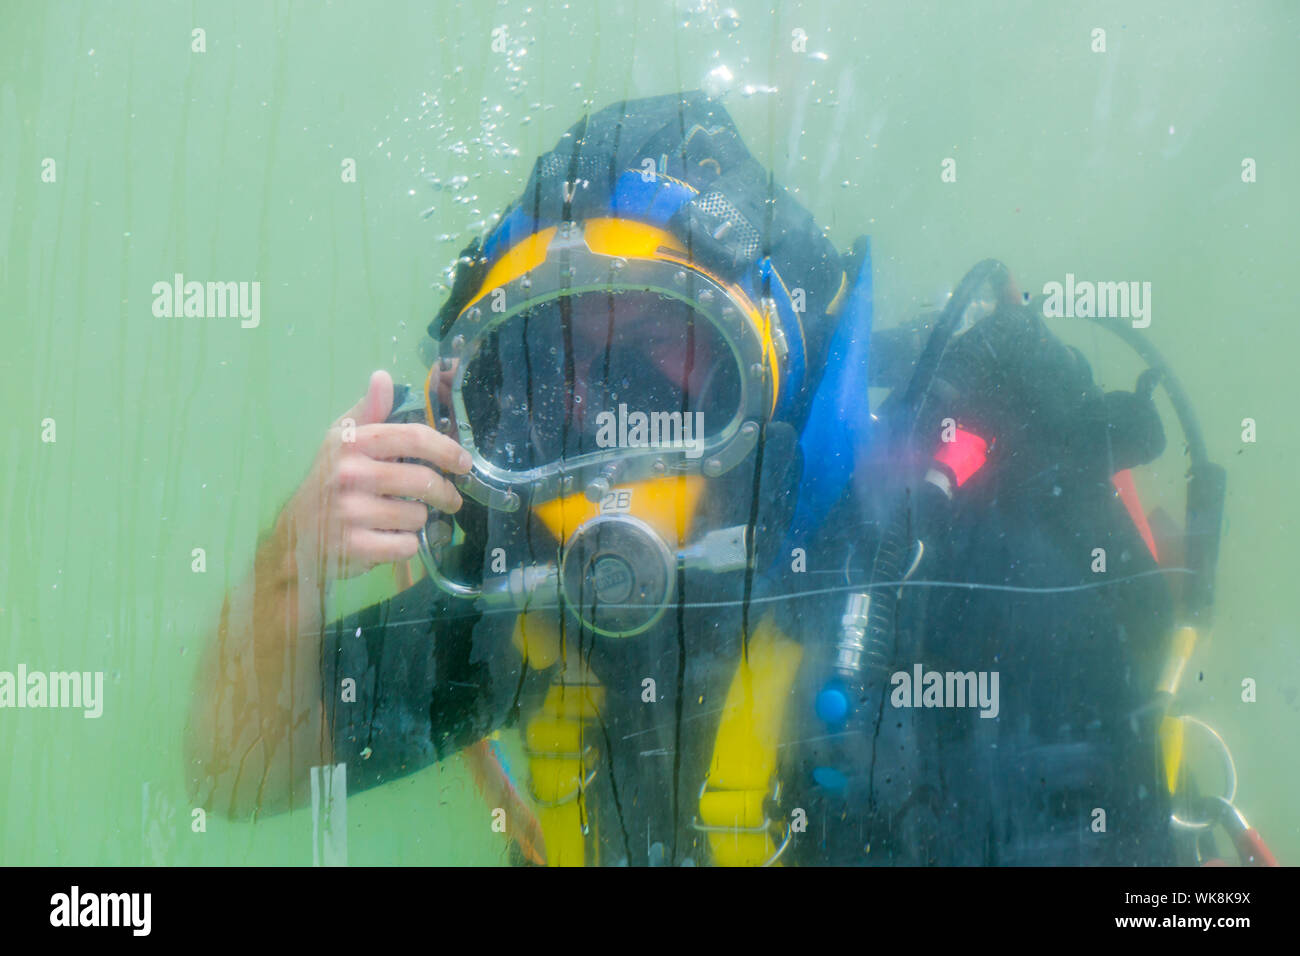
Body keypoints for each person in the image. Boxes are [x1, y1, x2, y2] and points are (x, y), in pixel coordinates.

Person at [185, 91, 1225, 866]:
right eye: (544, 379)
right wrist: (291, 565)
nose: (605, 437)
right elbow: (233, 772)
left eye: (660, 356)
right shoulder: (537, 589)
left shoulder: (962, 563)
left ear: (774, 369)